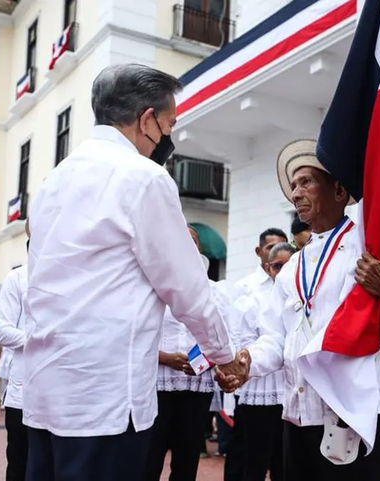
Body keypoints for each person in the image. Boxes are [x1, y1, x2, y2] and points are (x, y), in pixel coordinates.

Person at [23, 64, 241, 481]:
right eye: (169, 125)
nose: (169, 137)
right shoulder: (144, 178)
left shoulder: (55, 180)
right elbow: (188, 290)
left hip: (46, 389)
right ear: (147, 120)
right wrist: (224, 357)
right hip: (104, 397)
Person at [217, 139, 380, 481]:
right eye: (293, 185)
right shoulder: (292, 267)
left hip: (352, 413)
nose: (296, 193)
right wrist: (248, 363)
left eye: (306, 182)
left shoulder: (369, 246)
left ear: (339, 191)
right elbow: (275, 339)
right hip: (298, 413)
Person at [146, 226, 240, 481]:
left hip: (197, 384)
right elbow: (137, 336)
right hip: (157, 384)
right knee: (150, 457)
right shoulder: (153, 287)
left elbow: (225, 334)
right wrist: (166, 358)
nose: (188, 244)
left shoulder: (215, 291)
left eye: (194, 241)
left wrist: (210, 360)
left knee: (187, 460)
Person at [225, 242, 296, 481]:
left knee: (285, 462)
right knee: (255, 460)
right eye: (277, 266)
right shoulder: (252, 301)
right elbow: (244, 341)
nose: (283, 272)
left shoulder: (303, 300)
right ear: (267, 268)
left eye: (289, 266)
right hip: (261, 388)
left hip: (290, 390)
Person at [0, 219, 32, 481]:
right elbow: (1, 331)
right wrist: (45, 341)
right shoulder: (18, 277)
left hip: (64, 397)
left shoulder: (74, 279)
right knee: (19, 465)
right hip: (23, 394)